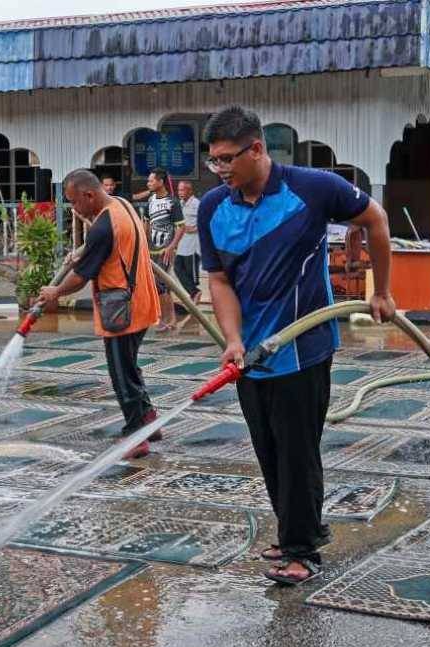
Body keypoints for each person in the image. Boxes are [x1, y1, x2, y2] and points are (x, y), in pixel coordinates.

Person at [198, 106, 395, 586]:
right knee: (267, 448)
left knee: (297, 449)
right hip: (251, 355)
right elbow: (219, 279)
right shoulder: (213, 208)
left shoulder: (311, 189)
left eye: (227, 160)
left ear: (258, 149)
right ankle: (298, 528)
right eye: (214, 162)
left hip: (303, 343)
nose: (220, 171)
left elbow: (377, 218)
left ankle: (300, 551)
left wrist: (381, 290)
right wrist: (232, 339)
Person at [38, 170, 161, 459]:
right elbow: (112, 251)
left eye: (74, 202)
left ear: (89, 195)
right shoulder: (122, 204)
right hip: (141, 300)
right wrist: (87, 253)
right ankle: (148, 419)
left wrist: (55, 292)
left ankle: (135, 435)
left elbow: (80, 278)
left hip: (121, 308)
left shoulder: (104, 227)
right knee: (129, 366)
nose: (73, 209)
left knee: (121, 372)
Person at [137, 168, 184, 331]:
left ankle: (168, 319)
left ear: (160, 182)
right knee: (159, 285)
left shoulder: (173, 202)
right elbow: (147, 223)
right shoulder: (151, 200)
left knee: (160, 284)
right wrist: (142, 241)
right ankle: (168, 319)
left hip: (166, 250)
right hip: (152, 250)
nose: (148, 183)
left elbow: (181, 227)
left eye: (151, 181)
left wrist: (172, 246)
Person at [169, 181, 202, 305]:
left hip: (193, 245)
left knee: (191, 273)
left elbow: (205, 221)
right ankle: (194, 293)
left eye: (182, 190)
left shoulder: (197, 204)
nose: (180, 193)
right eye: (178, 190)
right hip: (182, 245)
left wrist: (191, 228)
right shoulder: (179, 204)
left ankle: (194, 294)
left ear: (190, 191)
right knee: (178, 269)